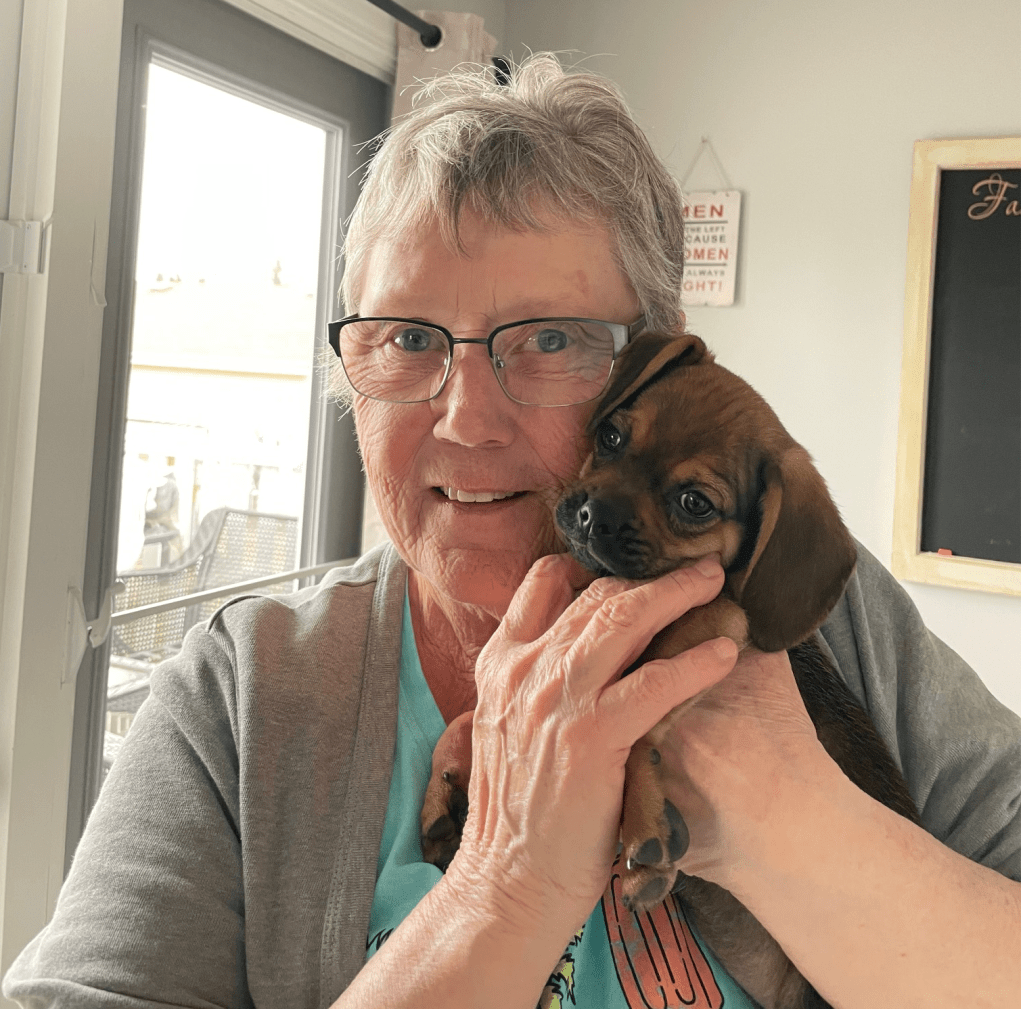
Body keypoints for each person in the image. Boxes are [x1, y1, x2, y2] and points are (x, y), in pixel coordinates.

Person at [4, 55, 1018, 1009]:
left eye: (550, 341)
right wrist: (506, 876)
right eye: (406, 338)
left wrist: (788, 817)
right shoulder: (247, 694)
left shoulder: (828, 624)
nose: (466, 418)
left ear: (655, 369)